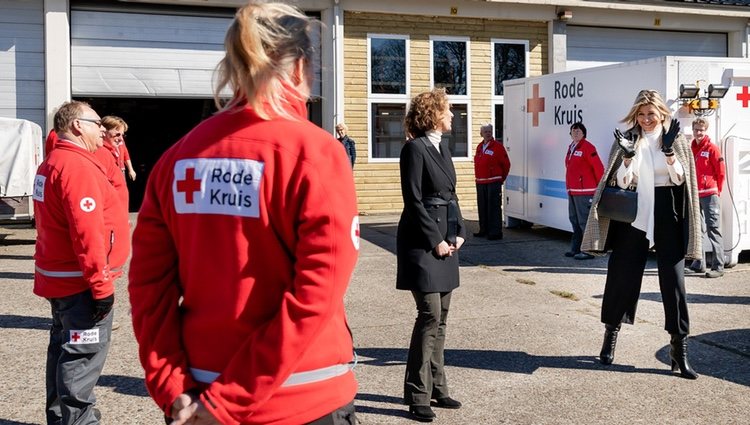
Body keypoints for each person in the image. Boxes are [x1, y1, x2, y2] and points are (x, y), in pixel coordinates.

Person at [128, 3, 359, 425]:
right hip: (300, 397)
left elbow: (148, 289)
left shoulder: (177, 159)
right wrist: (229, 400)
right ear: (300, 68)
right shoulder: (315, 154)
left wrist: (171, 385)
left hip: (196, 396)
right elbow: (316, 294)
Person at [581, 89, 702, 380]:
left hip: (667, 214)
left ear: (662, 113)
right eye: (641, 114)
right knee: (621, 277)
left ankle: (679, 350)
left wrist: (670, 152)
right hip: (632, 216)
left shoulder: (676, 139)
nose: (646, 119)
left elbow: (682, 180)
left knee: (674, 283)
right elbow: (620, 181)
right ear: (635, 115)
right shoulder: (627, 139)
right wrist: (627, 157)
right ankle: (610, 337)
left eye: (651, 113)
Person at [32, 100, 130, 424]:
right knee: (81, 355)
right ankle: (77, 420)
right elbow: (86, 231)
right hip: (81, 284)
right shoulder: (76, 166)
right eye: (96, 123)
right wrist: (101, 285)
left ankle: (62, 417)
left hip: (64, 279)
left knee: (63, 348)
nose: (102, 130)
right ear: (77, 126)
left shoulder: (54, 162)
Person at [397, 87, 466, 422]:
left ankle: (438, 388)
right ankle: (417, 393)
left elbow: (450, 196)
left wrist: (459, 231)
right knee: (428, 316)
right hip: (422, 244)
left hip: (445, 243)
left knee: (442, 319)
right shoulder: (414, 149)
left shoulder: (444, 147)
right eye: (448, 110)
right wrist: (436, 239)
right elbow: (413, 201)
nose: (452, 115)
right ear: (434, 113)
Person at [687, 117, 726, 278]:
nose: (698, 132)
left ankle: (718, 266)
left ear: (706, 130)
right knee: (698, 230)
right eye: (696, 129)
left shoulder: (712, 149)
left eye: (701, 130)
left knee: (713, 229)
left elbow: (721, 172)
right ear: (693, 130)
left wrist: (717, 191)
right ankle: (699, 263)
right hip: (696, 196)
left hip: (710, 195)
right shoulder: (691, 149)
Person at [564, 122, 604, 260]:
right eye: (573, 131)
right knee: (574, 220)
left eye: (578, 131)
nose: (575, 133)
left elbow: (598, 168)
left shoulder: (588, 147)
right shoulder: (571, 147)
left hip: (585, 191)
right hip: (573, 191)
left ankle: (588, 251)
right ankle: (576, 249)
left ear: (584, 133)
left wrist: (600, 188)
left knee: (585, 222)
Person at [473, 123, 510, 240]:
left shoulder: (498, 147)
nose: (488, 134)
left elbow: (506, 164)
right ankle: (483, 230)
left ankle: (495, 232)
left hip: (493, 182)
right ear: (481, 134)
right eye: (485, 132)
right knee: (482, 207)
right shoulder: (479, 147)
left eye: (489, 131)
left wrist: (500, 179)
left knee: (493, 208)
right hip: (481, 182)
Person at [100, 115, 137, 181]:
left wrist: (131, 169)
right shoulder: (99, 151)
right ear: (104, 131)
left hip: (120, 168)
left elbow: (126, 154)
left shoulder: (119, 141)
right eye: (117, 134)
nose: (121, 139)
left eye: (122, 135)